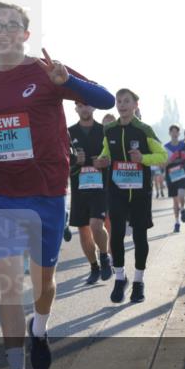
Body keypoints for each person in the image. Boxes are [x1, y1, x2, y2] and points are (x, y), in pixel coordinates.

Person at [0, 1, 114, 369]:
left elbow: (102, 98)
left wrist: (70, 82)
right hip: (2, 195)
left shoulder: (46, 71)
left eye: (12, 25)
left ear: (25, 34)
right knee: (9, 282)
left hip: (48, 192)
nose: (3, 32)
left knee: (43, 283)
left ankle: (41, 326)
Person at [94, 89, 167, 303]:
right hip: (116, 190)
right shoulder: (109, 130)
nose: (122, 105)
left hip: (140, 192)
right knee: (116, 234)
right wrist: (101, 161)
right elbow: (104, 154)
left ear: (136, 104)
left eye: (127, 101)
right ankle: (119, 279)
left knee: (139, 237)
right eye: (119, 101)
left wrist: (143, 157)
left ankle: (138, 281)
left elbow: (162, 156)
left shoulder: (144, 130)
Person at [68, 102, 111, 285]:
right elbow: (60, 158)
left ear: (94, 108)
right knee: (84, 231)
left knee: (95, 225)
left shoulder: (105, 131)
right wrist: (73, 160)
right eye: (80, 106)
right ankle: (94, 267)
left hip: (100, 187)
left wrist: (105, 162)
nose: (84, 109)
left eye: (87, 106)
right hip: (79, 188)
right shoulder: (68, 133)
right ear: (76, 109)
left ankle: (104, 257)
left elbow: (116, 154)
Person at [164, 125, 185, 233]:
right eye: (172, 132)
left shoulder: (184, 146)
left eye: (176, 132)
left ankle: (183, 209)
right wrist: (172, 158)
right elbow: (163, 164)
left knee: (181, 194)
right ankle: (177, 222)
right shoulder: (165, 147)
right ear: (169, 133)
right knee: (175, 201)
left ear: (179, 134)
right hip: (171, 175)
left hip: (181, 173)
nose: (174, 134)